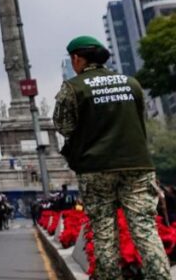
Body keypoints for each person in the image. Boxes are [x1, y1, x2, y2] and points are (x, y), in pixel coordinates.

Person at [53, 35, 170, 279]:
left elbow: (63, 126)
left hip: (96, 168)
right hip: (137, 164)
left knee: (104, 232)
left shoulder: (73, 88)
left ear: (77, 59)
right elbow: (140, 120)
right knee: (145, 230)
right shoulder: (131, 83)